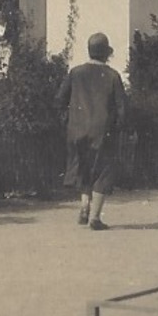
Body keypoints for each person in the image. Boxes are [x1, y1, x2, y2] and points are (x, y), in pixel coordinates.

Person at [55, 32, 128, 231]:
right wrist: (121, 128)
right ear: (107, 54)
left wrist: (68, 120)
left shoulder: (75, 72)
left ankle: (84, 205)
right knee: (103, 171)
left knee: (84, 168)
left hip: (77, 129)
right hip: (103, 131)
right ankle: (95, 217)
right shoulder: (113, 76)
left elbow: (59, 99)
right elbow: (122, 108)